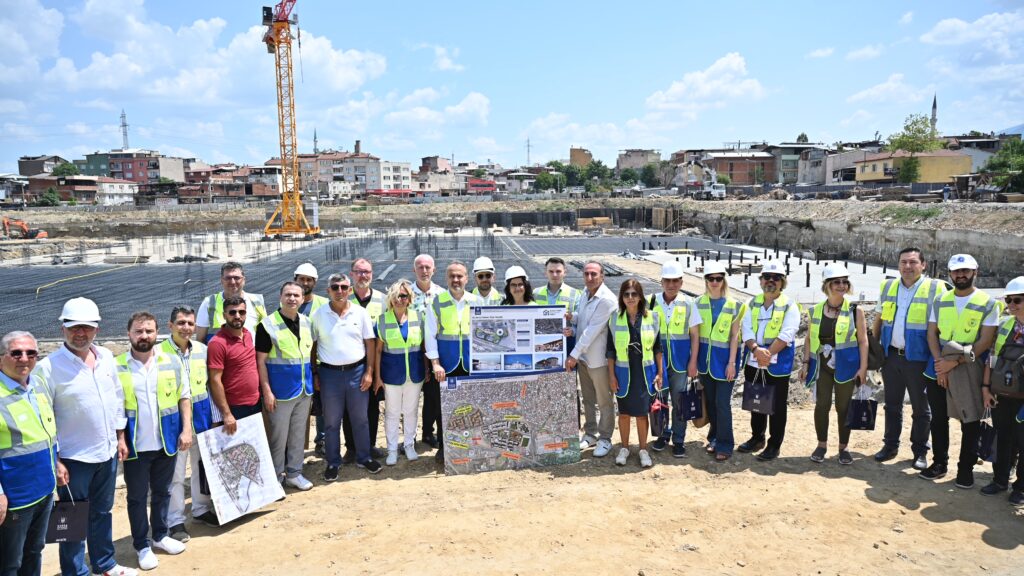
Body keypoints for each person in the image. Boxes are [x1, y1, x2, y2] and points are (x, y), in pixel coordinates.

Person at [33, 297, 137, 576]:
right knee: (73, 520)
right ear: (63, 329)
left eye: (86, 328)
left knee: (102, 513)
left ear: (97, 330)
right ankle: (75, 571)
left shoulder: (105, 358)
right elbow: (44, 417)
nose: (80, 333)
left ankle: (105, 563)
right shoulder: (49, 368)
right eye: (74, 327)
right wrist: (55, 459)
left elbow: (117, 398)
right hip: (73, 457)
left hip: (106, 451)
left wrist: (120, 437)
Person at [115, 312, 192, 570]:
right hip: (136, 446)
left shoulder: (170, 361)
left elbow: (184, 396)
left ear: (156, 332)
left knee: (163, 491)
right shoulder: (118, 366)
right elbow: (114, 409)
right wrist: (119, 439)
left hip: (166, 441)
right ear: (129, 334)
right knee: (137, 497)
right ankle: (142, 544)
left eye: (148, 331)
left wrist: (186, 430)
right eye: (139, 331)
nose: (144, 336)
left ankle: (160, 535)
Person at [922, 254, 999, 487]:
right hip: (939, 365)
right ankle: (939, 463)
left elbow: (985, 341)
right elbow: (931, 334)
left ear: (975, 272)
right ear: (950, 274)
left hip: (969, 366)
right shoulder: (941, 300)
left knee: (971, 420)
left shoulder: (988, 303)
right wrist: (940, 365)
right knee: (938, 418)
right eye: (956, 271)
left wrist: (953, 363)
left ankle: (965, 469)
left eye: (965, 271)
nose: (961, 275)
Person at [873, 247, 946, 470]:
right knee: (892, 405)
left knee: (921, 409)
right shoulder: (888, 286)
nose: (907, 266)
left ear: (923, 265)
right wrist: (874, 351)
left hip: (919, 359)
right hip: (891, 357)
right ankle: (890, 445)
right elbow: (878, 319)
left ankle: (920, 451)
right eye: (903, 262)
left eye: (913, 262)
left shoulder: (936, 288)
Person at [0, 331, 61, 576]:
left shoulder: (38, 387)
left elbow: (46, 433)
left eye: (30, 353)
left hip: (44, 490)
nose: (24, 358)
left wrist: (57, 463)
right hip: (15, 498)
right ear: (2, 358)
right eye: (16, 353)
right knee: (9, 562)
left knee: (34, 551)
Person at [310, 273, 381, 480]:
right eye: (335, 287)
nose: (339, 291)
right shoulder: (319, 315)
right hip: (329, 374)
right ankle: (333, 461)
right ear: (328, 290)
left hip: (356, 372)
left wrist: (369, 372)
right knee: (332, 421)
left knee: (360, 419)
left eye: (343, 287)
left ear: (349, 290)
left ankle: (364, 457)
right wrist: (315, 372)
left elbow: (370, 343)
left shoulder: (360, 313)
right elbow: (313, 346)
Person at [800, 265, 869, 465]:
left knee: (843, 406)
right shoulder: (815, 311)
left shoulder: (856, 311)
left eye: (844, 282)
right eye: (836, 282)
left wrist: (863, 368)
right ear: (827, 285)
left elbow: (863, 341)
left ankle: (843, 447)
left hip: (847, 366)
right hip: (822, 366)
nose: (841, 286)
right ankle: (821, 445)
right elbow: (808, 339)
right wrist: (805, 363)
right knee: (822, 405)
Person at [163, 306, 217, 540]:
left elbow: (209, 386)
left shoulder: (202, 351)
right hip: (174, 422)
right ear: (171, 325)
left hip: (201, 418)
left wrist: (215, 417)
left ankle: (201, 509)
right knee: (175, 474)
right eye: (181, 323)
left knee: (200, 467)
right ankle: (175, 521)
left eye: (190, 324)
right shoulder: (159, 354)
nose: (186, 328)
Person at [738, 261, 801, 461]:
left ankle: (774, 444)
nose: (770, 281)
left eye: (776, 278)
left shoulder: (790, 305)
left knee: (777, 406)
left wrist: (768, 354)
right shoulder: (752, 303)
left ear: (782, 282)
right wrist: (757, 350)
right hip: (755, 359)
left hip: (777, 363)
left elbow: (788, 333)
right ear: (761, 280)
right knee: (757, 401)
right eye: (767, 277)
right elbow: (746, 329)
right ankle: (757, 438)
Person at [256, 282, 314, 491]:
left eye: (296, 295)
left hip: (303, 389)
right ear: (280, 297)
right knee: (278, 438)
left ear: (302, 298)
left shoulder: (307, 323)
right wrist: (267, 391)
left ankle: (294, 473)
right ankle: (276, 477)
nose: (292, 299)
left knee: (298, 434)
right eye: (288, 295)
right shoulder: (267, 325)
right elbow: (260, 361)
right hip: (280, 392)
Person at [425, 261, 480, 463]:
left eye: (460, 276)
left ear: (466, 278)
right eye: (452, 276)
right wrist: (435, 363)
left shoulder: (476, 301)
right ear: (446, 278)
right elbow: (430, 335)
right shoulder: (436, 303)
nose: (456, 280)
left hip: (471, 364)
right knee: (444, 408)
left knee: (472, 407)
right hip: (447, 365)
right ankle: (445, 447)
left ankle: (471, 445)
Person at [606, 279, 664, 467]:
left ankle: (643, 449)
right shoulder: (614, 318)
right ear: (621, 297)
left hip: (644, 372)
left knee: (641, 413)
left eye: (634, 294)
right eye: (626, 294)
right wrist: (611, 375)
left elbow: (658, 348)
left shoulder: (653, 317)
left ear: (640, 296)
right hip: (623, 373)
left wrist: (660, 373)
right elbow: (610, 351)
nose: (630, 298)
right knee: (623, 413)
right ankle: (624, 448)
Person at [565, 261, 618, 458]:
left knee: (604, 401)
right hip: (584, 359)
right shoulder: (585, 293)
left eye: (593, 274)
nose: (589, 278)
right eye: (586, 274)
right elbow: (584, 318)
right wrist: (573, 318)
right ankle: (590, 434)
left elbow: (591, 331)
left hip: (598, 360)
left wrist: (573, 355)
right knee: (587, 399)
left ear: (602, 276)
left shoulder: (607, 300)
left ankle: (605, 438)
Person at [648, 261, 700, 457]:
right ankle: (662, 435)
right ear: (661, 281)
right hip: (657, 363)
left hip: (680, 363)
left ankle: (679, 439)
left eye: (675, 281)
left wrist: (693, 361)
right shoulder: (651, 302)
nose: (671, 285)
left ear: (681, 282)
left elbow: (694, 335)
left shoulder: (688, 303)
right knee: (660, 400)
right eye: (667, 281)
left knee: (679, 402)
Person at [981, 276, 1024, 506]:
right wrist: (986, 388)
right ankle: (999, 479)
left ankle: (1020, 488)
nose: (1012, 304)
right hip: (1002, 394)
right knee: (1003, 437)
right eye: (1009, 300)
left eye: (1018, 300)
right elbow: (992, 359)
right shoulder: (1006, 325)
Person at [696, 261, 745, 461]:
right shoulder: (698, 303)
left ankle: (725, 444)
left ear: (723, 280)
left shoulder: (734, 305)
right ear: (706, 281)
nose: (715, 282)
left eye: (718, 278)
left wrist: (732, 363)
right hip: (705, 363)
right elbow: (696, 335)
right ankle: (714, 437)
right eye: (711, 279)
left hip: (725, 362)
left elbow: (734, 336)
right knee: (711, 402)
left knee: (722, 403)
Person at [374, 279, 425, 465]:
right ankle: (392, 449)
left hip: (414, 373)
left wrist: (426, 369)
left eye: (403, 296)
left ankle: (409, 445)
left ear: (409, 299)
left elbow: (423, 347)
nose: (399, 299)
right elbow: (378, 351)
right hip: (391, 375)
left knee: (411, 411)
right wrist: (378, 377)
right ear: (390, 299)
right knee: (392, 412)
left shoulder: (418, 318)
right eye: (395, 296)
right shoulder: (382, 320)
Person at [343, 259, 387, 461]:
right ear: (352, 274)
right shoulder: (344, 297)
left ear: (372, 273)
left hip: (375, 360)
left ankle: (369, 445)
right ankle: (351, 447)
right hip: (350, 361)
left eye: (367, 272)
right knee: (348, 407)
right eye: (359, 272)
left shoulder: (382, 299)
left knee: (372, 405)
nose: (363, 276)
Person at [207, 296, 261, 439]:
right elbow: (215, 380)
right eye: (232, 312)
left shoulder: (248, 335)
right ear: (224, 315)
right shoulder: (217, 343)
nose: (237, 316)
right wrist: (226, 413)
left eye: (241, 312)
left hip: (256, 403)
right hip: (235, 408)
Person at [293, 262, 328, 457]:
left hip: (320, 364)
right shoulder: (289, 301)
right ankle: (298, 443)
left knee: (322, 405)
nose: (305, 283)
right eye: (301, 279)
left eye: (309, 280)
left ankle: (321, 439)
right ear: (295, 279)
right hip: (296, 366)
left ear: (315, 282)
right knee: (299, 406)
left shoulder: (323, 304)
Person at [411, 254, 444, 449]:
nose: (424, 271)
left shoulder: (442, 294)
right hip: (413, 351)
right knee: (413, 396)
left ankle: (428, 433)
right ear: (414, 270)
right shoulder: (406, 294)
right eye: (420, 267)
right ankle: (411, 436)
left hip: (434, 352)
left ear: (434, 270)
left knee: (433, 395)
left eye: (428, 267)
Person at [196, 262, 267, 343]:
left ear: (244, 280)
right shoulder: (209, 302)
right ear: (222, 280)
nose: (232, 282)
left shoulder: (257, 301)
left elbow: (265, 335)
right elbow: (200, 340)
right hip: (220, 354)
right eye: (228, 278)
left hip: (250, 354)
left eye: (236, 278)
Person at [535, 257, 581, 351]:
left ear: (565, 272)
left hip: (567, 342)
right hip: (541, 340)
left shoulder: (575, 294)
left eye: (558, 271)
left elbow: (581, 320)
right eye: (551, 271)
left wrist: (573, 331)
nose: (555, 274)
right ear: (545, 272)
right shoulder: (536, 293)